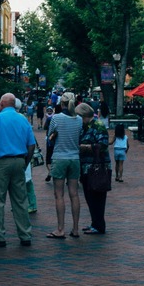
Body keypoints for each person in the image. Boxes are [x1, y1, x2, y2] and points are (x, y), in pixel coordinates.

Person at [0, 93, 37, 247]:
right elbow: (31, 145)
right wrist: (25, 162)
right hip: (19, 160)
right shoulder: (23, 119)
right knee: (20, 200)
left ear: (1, 104)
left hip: (0, 162)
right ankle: (25, 235)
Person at [43, 95, 85, 239]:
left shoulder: (56, 118)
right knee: (74, 194)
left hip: (60, 157)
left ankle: (60, 229)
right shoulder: (79, 120)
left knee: (59, 195)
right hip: (74, 158)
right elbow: (80, 136)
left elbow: (49, 138)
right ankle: (75, 229)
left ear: (62, 103)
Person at [78, 103, 112, 234]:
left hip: (97, 167)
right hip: (87, 167)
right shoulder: (85, 127)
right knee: (89, 195)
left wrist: (85, 147)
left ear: (85, 115)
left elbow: (103, 144)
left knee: (97, 196)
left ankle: (99, 225)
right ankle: (94, 222)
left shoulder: (98, 126)